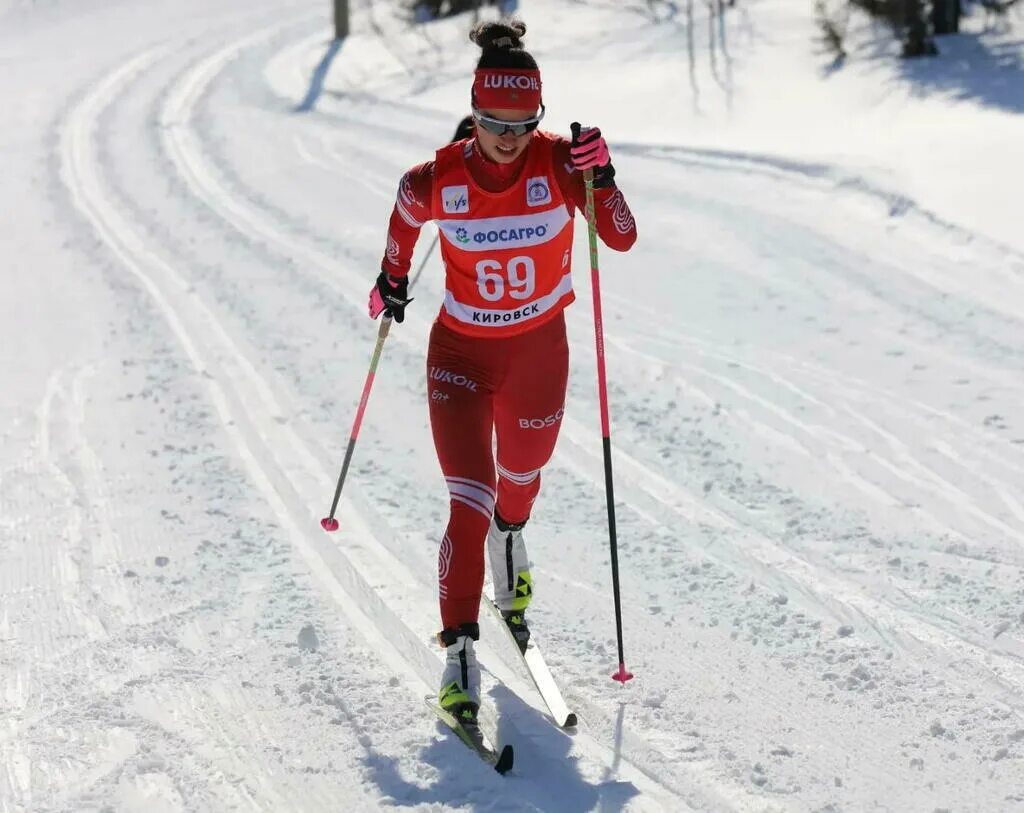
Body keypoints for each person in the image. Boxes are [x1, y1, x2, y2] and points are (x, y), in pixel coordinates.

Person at [369, 19, 637, 723]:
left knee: (520, 480)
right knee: (471, 496)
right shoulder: (442, 177)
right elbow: (404, 207)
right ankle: (458, 653)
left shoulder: (559, 166)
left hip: (537, 355)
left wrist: (603, 178)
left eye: (523, 123)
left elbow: (622, 235)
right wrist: (391, 277)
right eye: (493, 122)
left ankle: (511, 540)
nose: (509, 137)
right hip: (460, 357)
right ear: (475, 112)